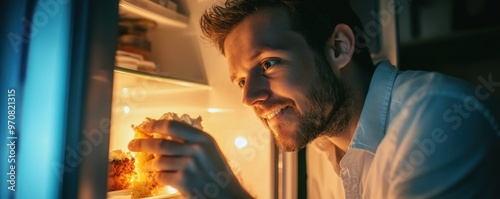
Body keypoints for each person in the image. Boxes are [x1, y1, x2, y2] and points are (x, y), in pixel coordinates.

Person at [127, 0, 500, 198]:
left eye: (268, 63)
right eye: (241, 80)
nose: (249, 97)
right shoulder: (326, 145)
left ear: (339, 47)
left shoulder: (440, 118)